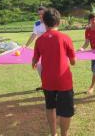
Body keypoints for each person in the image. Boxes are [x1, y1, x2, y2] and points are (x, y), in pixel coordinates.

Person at [32, 8, 76, 136]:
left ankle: (53, 134)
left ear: (44, 22)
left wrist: (34, 63)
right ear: (59, 21)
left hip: (47, 81)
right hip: (64, 81)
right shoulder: (65, 38)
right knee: (65, 111)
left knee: (50, 107)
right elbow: (73, 62)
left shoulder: (39, 40)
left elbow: (35, 60)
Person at [23, 6, 47, 91]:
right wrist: (26, 45)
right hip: (40, 48)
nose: (40, 16)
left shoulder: (49, 22)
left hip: (50, 48)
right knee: (39, 66)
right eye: (39, 14)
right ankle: (44, 84)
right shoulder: (37, 23)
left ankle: (50, 85)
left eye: (42, 14)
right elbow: (34, 35)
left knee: (48, 67)